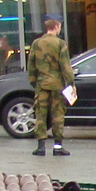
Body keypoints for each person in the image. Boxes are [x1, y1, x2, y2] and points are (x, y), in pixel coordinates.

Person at [26, 18, 74, 157]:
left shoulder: (36, 43)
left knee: (41, 114)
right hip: (57, 84)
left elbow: (32, 65)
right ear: (56, 27)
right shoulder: (60, 43)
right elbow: (65, 65)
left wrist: (34, 81)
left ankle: (41, 146)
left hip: (42, 83)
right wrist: (71, 82)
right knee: (57, 114)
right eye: (59, 27)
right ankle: (57, 146)